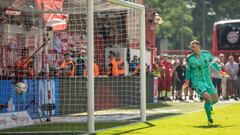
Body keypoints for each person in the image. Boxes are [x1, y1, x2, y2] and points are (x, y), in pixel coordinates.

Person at [183, 40, 229, 125]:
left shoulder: (207, 55)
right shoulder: (190, 59)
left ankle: (208, 106)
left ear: (198, 46)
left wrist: (221, 72)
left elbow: (214, 64)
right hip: (197, 82)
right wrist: (186, 81)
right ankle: (210, 119)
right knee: (207, 98)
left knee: (215, 100)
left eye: (194, 46)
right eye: (191, 47)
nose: (192, 49)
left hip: (208, 81)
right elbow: (188, 71)